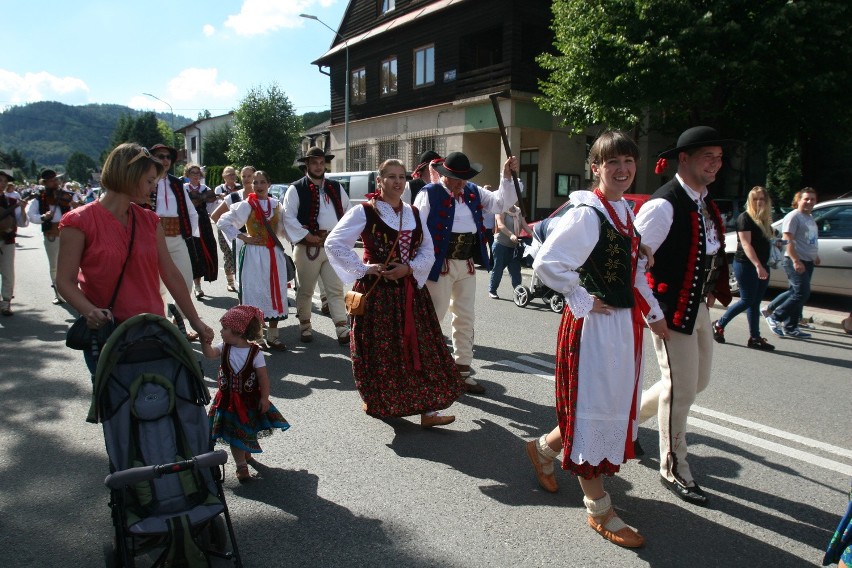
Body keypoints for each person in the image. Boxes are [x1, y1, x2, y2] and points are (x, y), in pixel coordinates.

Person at [524, 131, 667, 548]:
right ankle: (600, 509)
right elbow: (549, 264)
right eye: (612, 163)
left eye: (628, 161)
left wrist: (654, 315)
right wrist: (584, 296)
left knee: (606, 405)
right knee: (594, 407)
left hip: (621, 325)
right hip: (595, 327)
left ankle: (543, 450)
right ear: (595, 168)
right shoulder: (588, 212)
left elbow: (634, 272)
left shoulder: (622, 209)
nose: (622, 170)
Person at [634, 126, 735, 506]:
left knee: (697, 382)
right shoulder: (664, 205)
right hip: (670, 311)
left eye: (719, 157)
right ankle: (674, 467)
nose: (716, 163)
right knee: (681, 389)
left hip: (698, 308)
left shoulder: (703, 201)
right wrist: (652, 313)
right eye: (708, 156)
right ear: (685, 159)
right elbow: (635, 264)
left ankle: (630, 424)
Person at [326, 159, 465, 428]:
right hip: (378, 294)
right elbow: (334, 243)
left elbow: (427, 250)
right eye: (390, 177)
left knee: (421, 349)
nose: (397, 182)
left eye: (401, 176)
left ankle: (429, 411)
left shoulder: (413, 212)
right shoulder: (364, 211)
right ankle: (384, 402)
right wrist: (364, 268)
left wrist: (409, 268)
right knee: (382, 352)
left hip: (409, 290)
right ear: (379, 181)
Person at [56, 143, 213, 374]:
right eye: (149, 181)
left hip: (151, 331)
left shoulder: (150, 221)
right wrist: (88, 310)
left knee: (156, 402)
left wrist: (195, 320)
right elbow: (65, 281)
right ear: (129, 175)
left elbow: (170, 273)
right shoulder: (78, 221)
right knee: (113, 406)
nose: (153, 189)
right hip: (108, 333)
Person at [414, 151, 520, 394]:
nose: (460, 184)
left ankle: (462, 369)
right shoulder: (428, 194)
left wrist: (506, 177)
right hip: (438, 264)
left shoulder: (472, 191)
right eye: (455, 179)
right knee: (433, 316)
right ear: (444, 176)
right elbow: (418, 228)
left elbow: (500, 204)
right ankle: (422, 370)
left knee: (465, 317)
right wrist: (423, 262)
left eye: (463, 179)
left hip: (466, 263)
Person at [203, 304, 289, 483]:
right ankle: (241, 465)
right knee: (235, 433)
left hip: (248, 401)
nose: (221, 331)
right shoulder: (224, 347)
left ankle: (245, 454)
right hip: (227, 401)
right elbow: (210, 354)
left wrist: (265, 398)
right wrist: (205, 343)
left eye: (225, 328)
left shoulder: (255, 353)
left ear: (239, 331)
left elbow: (263, 377)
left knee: (245, 429)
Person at [282, 147, 351, 345]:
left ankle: (341, 327)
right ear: (307, 164)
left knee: (335, 289)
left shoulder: (336, 187)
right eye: (314, 163)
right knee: (305, 290)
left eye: (321, 162)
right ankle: (305, 325)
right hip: (307, 248)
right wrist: (307, 235)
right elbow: (288, 216)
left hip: (331, 246)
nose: (319, 166)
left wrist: (342, 236)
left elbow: (348, 213)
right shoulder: (296, 188)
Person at [217, 170, 291, 351]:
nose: (258, 186)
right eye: (255, 182)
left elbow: (284, 230)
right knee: (255, 292)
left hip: (273, 254)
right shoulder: (247, 205)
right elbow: (222, 221)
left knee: (275, 291)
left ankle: (273, 337)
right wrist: (245, 238)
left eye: (262, 182)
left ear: (269, 184)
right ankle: (256, 337)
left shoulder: (276, 206)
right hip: (253, 255)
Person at [712, 186, 777, 350]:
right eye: (755, 199)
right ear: (750, 201)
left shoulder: (765, 219)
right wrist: (758, 265)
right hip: (746, 265)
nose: (759, 202)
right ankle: (719, 323)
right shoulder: (745, 218)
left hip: (762, 265)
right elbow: (746, 244)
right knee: (747, 300)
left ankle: (754, 337)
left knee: (755, 303)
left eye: (762, 199)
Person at [147, 143, 201, 341]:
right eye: (160, 156)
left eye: (168, 157)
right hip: (151, 239)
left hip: (177, 237)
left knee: (185, 282)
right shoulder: (144, 181)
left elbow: (190, 211)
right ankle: (160, 325)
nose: (165, 160)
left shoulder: (177, 184)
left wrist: (189, 235)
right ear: (151, 158)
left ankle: (178, 322)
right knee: (156, 286)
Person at [763, 187, 820, 339]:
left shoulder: (809, 217)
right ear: (798, 200)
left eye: (812, 199)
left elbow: (809, 239)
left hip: (808, 260)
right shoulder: (794, 216)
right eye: (806, 199)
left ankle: (791, 327)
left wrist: (815, 255)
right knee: (802, 293)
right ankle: (775, 317)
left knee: (795, 292)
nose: (809, 202)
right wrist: (796, 260)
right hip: (795, 260)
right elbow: (788, 240)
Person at [27, 169, 75, 304]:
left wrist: (75, 206)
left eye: (56, 180)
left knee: (71, 265)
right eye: (52, 181)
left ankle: (72, 293)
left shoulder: (67, 196)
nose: (55, 182)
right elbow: (31, 216)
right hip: (52, 235)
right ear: (45, 183)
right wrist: (43, 217)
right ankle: (58, 293)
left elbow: (77, 211)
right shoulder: (40, 198)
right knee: (54, 266)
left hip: (68, 234)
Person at [183, 163, 219, 299]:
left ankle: (205, 278)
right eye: (193, 173)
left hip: (203, 223)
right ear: (188, 174)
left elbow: (212, 209)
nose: (196, 175)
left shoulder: (205, 189)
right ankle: (197, 287)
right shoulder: (183, 189)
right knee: (194, 252)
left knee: (208, 250)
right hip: (190, 223)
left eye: (198, 173)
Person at [0, 169, 29, 316]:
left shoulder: (11, 201)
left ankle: (5, 303)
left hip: (7, 240)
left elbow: (22, 224)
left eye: (5, 182)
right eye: (0, 181)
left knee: (8, 272)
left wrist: (23, 209)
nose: (3, 184)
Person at [488, 204, 531, 299]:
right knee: (498, 269)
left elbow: (524, 225)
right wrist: (511, 235)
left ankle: (519, 292)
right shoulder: (501, 209)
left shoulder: (518, 211)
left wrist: (533, 235)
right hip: (500, 245)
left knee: (515, 270)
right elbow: (500, 225)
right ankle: (492, 290)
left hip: (514, 246)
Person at [214, 166, 242, 291]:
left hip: (238, 224)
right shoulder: (219, 189)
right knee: (228, 253)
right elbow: (216, 208)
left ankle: (239, 279)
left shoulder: (240, 188)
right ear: (224, 176)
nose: (233, 176)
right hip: (224, 224)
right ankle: (230, 282)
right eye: (230, 174)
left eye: (234, 174)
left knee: (239, 252)